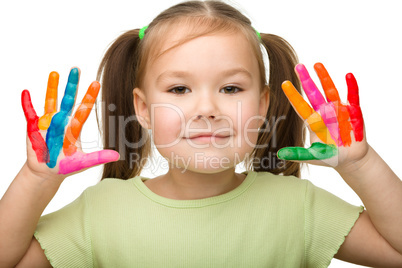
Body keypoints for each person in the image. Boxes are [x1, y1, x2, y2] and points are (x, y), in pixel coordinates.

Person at [1, 0, 401, 267]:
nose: (207, 109)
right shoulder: (100, 211)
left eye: (230, 89)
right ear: (143, 109)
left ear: (262, 105)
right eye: (179, 90)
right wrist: (38, 179)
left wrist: (360, 164)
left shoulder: (300, 207)